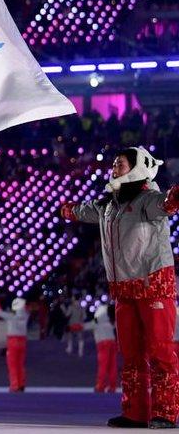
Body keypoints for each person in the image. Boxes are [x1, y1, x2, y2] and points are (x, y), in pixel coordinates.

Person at [61, 146, 179, 428]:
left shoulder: (148, 199)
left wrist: (176, 194)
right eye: (114, 164)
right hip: (124, 290)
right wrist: (62, 209)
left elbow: (168, 204)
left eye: (121, 164)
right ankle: (135, 413)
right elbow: (79, 211)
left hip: (153, 286)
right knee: (132, 355)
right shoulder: (108, 205)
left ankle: (165, 413)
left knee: (161, 352)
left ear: (137, 168)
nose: (114, 168)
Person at [0, 298, 29, 392]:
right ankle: (21, 384)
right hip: (23, 341)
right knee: (20, 364)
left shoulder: (11, 316)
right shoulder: (26, 315)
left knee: (12, 365)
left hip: (12, 341)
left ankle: (14, 385)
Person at [83, 304, 118, 393]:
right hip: (112, 342)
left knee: (102, 365)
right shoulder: (111, 323)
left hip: (102, 343)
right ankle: (112, 386)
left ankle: (100, 385)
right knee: (112, 365)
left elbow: (85, 326)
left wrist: (71, 327)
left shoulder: (97, 322)